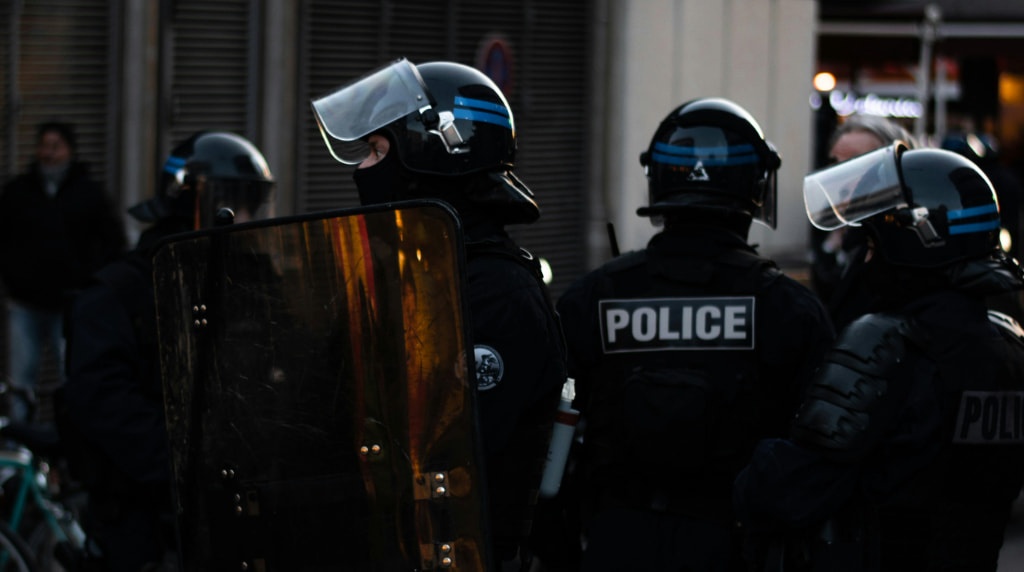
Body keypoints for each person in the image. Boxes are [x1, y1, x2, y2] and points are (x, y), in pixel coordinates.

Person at [554, 97, 836, 571]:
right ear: (757, 185)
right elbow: (819, 455)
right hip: (736, 545)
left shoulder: (590, 298)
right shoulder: (789, 309)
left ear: (658, 179)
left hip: (611, 542)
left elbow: (550, 434)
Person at [311, 57, 567, 571]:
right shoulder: (416, 273)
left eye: (377, 150)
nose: (363, 169)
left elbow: (448, 455)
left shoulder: (496, 293)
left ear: (432, 158)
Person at [734, 143, 1024, 571]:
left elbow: (788, 490)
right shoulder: (1009, 344)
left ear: (914, 242)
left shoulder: (885, 343)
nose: (865, 261)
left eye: (871, 246)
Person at [58, 131, 276, 572]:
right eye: (239, 204)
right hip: (147, 521)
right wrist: (189, 466)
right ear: (199, 201)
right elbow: (102, 401)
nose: (249, 218)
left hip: (244, 509)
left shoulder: (252, 279)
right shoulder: (118, 293)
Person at [0, 121, 126, 424]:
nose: (48, 153)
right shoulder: (19, 192)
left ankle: (68, 451)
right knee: (20, 384)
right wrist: (15, 278)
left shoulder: (88, 193)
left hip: (70, 306)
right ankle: (22, 445)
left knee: (72, 378)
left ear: (69, 150)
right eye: (44, 146)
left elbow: (112, 243)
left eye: (56, 147)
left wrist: (87, 283)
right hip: (25, 303)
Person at [809, 113, 916, 330]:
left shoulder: (899, 252)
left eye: (854, 164)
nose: (838, 177)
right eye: (835, 163)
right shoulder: (833, 238)